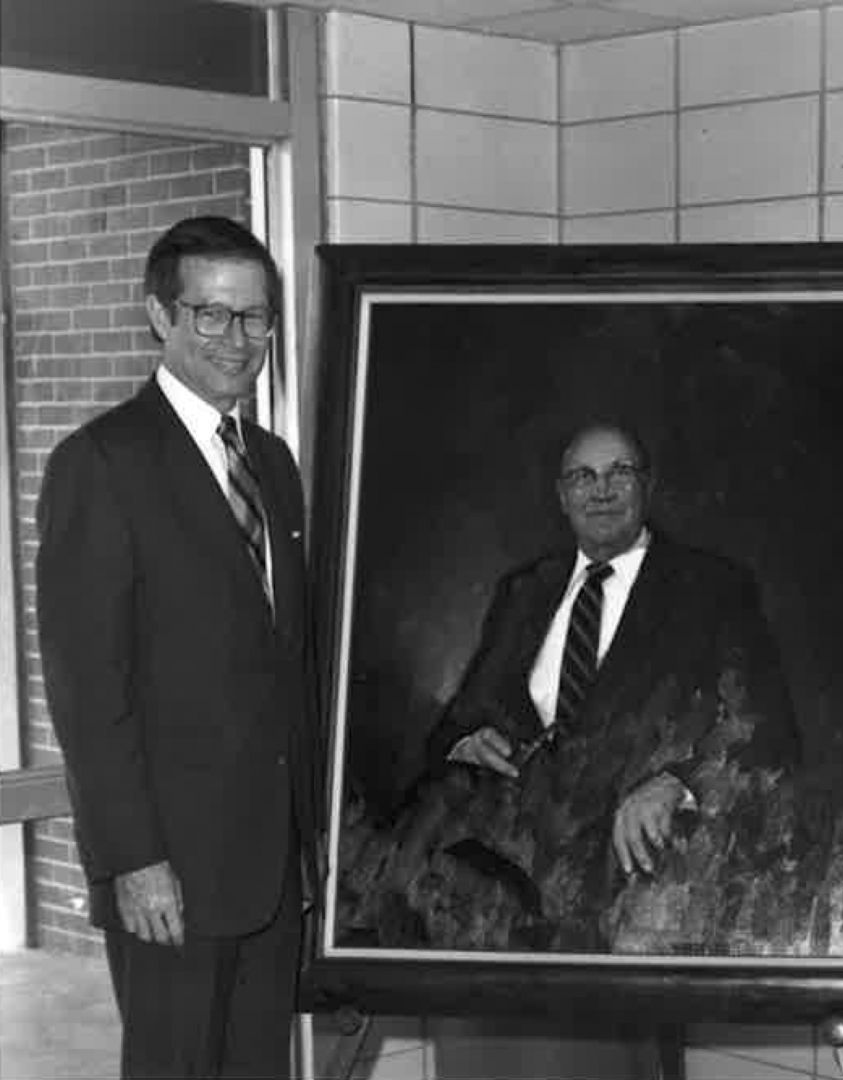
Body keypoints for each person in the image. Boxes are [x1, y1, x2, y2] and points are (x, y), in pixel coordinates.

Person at [36, 216, 318, 1079]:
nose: (239, 340)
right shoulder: (102, 462)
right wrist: (131, 860)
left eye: (256, 317)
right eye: (212, 314)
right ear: (160, 317)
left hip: (274, 866)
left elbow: (288, 664)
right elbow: (89, 689)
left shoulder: (271, 464)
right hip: (173, 873)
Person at [374, 421, 800, 953]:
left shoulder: (711, 589)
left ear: (648, 485)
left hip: (625, 865)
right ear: (562, 495)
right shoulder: (526, 590)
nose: (600, 491)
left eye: (619, 472)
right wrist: (467, 740)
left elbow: (763, 729)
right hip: (499, 861)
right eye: (583, 476)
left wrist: (676, 784)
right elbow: (460, 718)